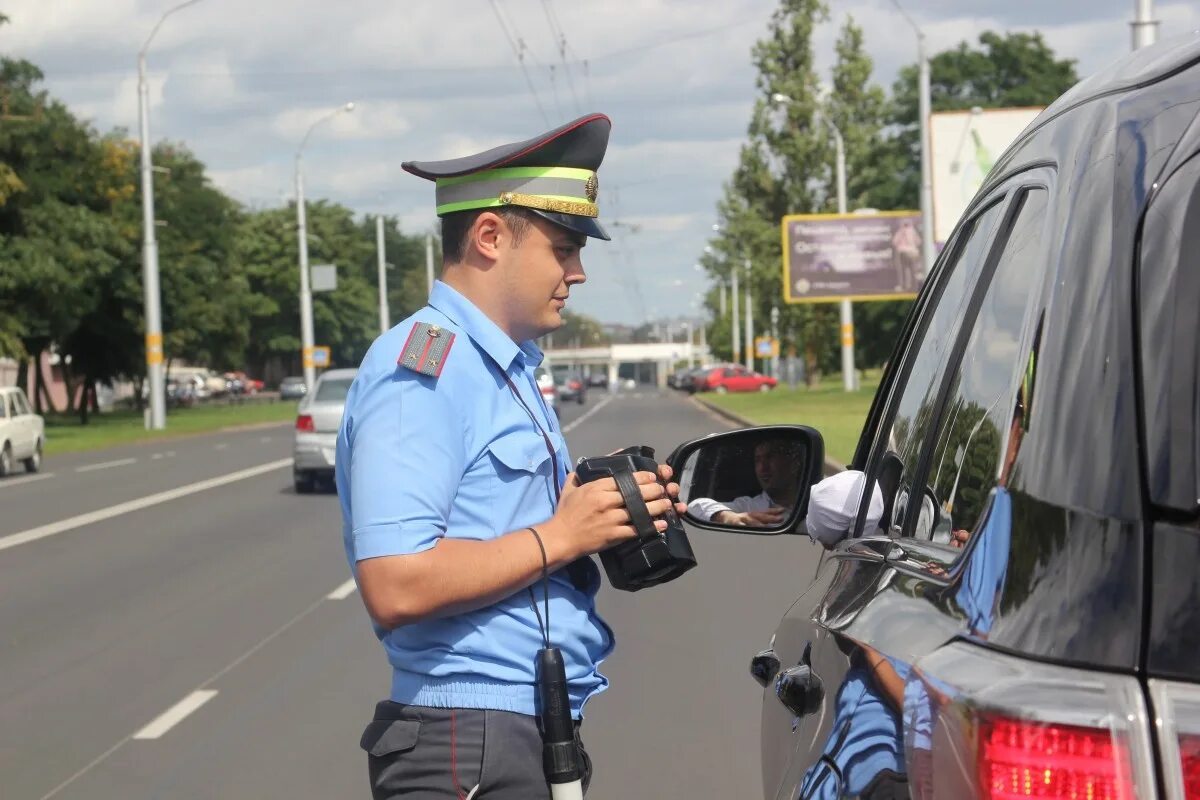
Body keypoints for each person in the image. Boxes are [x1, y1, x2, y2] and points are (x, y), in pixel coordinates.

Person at [335, 113, 687, 799]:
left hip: (518, 729)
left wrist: (602, 507)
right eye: (564, 247)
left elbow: (501, 533)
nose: (578, 272)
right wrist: (562, 534)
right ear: (490, 237)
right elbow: (396, 582)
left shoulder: (502, 366)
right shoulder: (423, 369)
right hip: (467, 739)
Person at [687, 439, 803, 526]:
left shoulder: (812, 503)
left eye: (770, 457)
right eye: (757, 460)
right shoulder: (747, 507)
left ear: (794, 465)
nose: (763, 468)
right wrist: (727, 517)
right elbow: (695, 507)